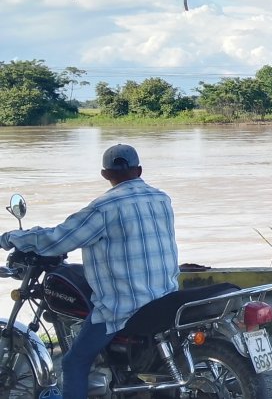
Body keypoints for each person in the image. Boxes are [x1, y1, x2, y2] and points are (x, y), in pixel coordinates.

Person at [0, 144, 178, 399]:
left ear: (105, 174)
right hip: (165, 295)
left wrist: (12, 238)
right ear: (139, 170)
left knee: (73, 363)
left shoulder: (104, 207)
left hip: (124, 306)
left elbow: (58, 238)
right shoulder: (161, 198)